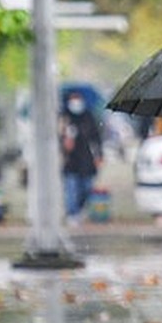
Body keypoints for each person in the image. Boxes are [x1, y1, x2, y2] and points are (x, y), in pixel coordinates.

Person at [59, 90, 102, 224]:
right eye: (73, 99)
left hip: (86, 159)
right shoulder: (64, 118)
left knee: (86, 187)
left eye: (78, 99)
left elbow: (96, 138)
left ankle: (81, 208)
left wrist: (99, 155)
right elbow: (57, 137)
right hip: (70, 161)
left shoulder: (88, 116)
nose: (76, 102)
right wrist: (64, 142)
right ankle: (72, 213)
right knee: (71, 188)